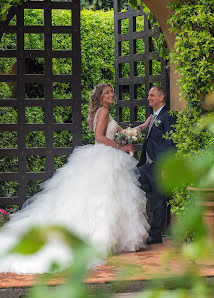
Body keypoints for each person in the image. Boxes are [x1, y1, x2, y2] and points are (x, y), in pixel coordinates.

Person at [0, 83, 151, 274]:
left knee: (107, 199)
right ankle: (98, 239)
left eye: (112, 92)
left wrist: (144, 126)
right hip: (104, 158)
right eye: (107, 92)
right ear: (100, 97)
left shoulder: (105, 112)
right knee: (104, 199)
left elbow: (122, 133)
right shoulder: (103, 112)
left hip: (105, 156)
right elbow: (99, 137)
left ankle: (107, 239)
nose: (112, 94)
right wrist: (120, 148)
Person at [137, 86, 177, 245]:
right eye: (148, 95)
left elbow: (171, 143)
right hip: (146, 166)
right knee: (130, 186)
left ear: (161, 98)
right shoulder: (153, 117)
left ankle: (155, 234)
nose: (148, 98)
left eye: (152, 95)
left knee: (159, 200)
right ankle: (135, 229)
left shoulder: (168, 116)